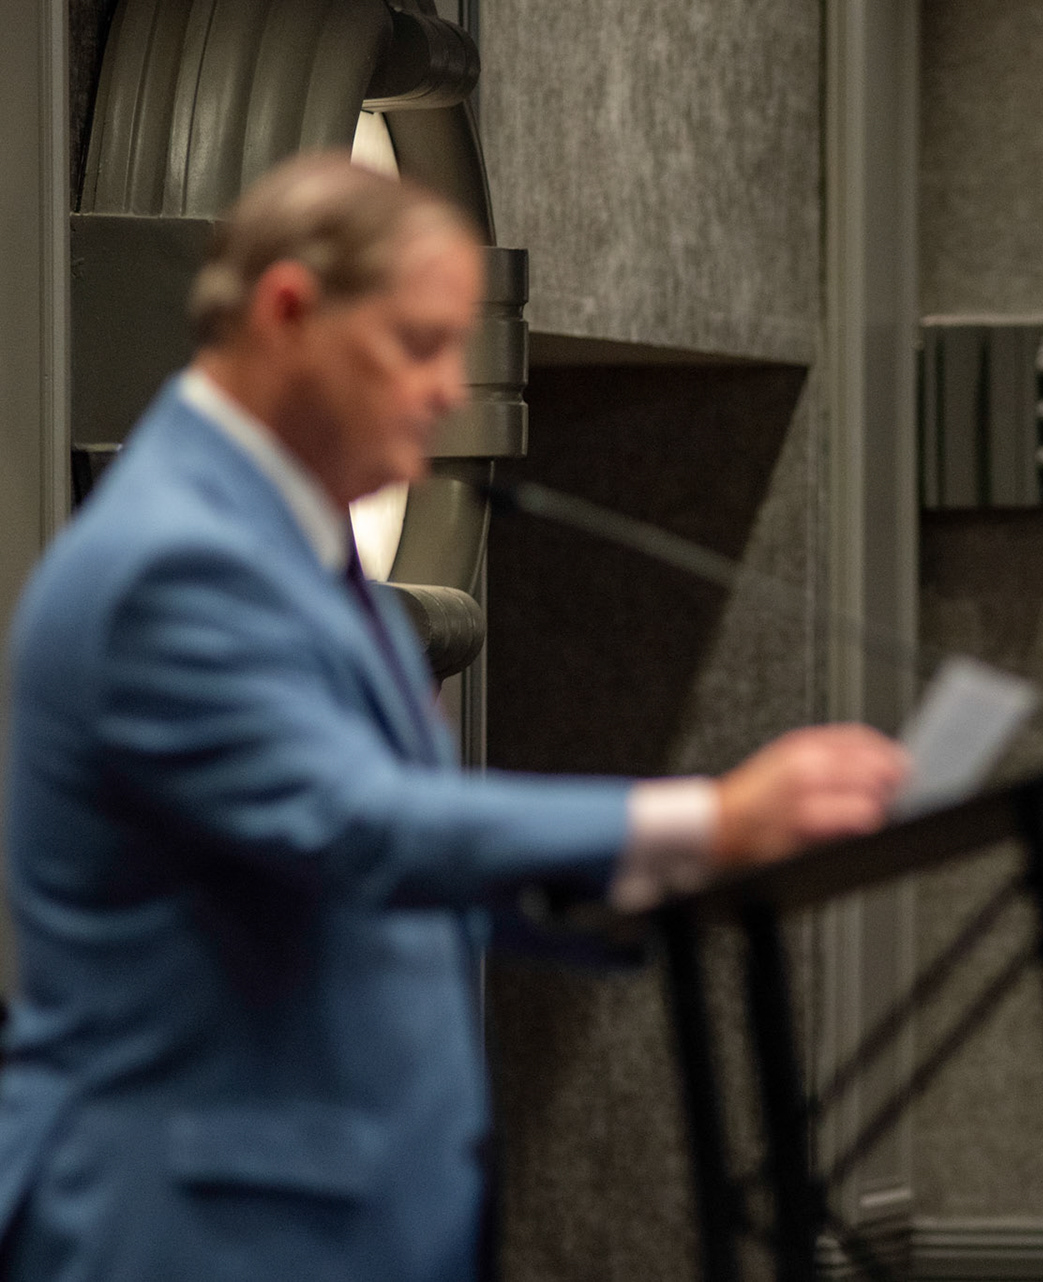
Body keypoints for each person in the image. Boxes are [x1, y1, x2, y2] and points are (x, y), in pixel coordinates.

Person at [0, 153, 907, 1280]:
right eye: (419, 343)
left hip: (345, 1213)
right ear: (289, 309)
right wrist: (704, 821)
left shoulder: (307, 544)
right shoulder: (173, 562)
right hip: (198, 1228)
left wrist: (684, 884)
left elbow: (389, 873)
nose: (446, 389)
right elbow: (359, 829)